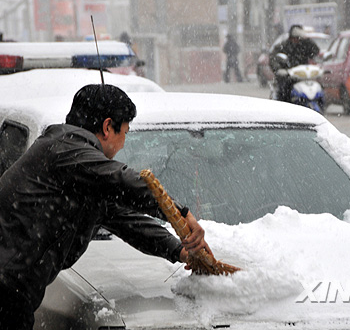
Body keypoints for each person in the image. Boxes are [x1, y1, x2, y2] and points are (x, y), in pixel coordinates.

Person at [0, 84, 210, 330]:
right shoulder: (64, 149)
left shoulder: (79, 171)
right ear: (108, 127)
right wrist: (182, 215)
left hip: (14, 293)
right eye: (125, 132)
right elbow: (121, 181)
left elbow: (127, 220)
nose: (122, 145)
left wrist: (180, 252)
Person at [269, 24, 320, 102]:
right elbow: (273, 58)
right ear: (291, 37)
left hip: (303, 77)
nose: (297, 40)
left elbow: (315, 51)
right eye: (295, 38)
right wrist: (279, 70)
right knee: (284, 92)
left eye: (299, 37)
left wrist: (307, 39)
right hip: (289, 77)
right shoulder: (283, 46)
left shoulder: (305, 45)